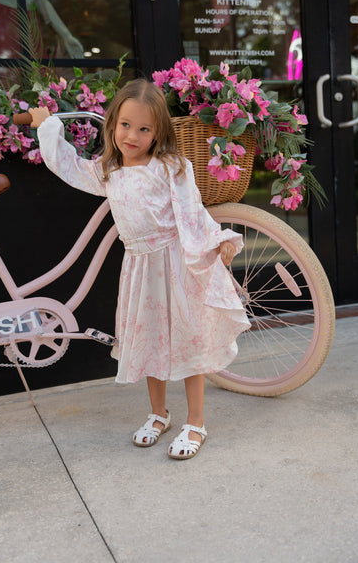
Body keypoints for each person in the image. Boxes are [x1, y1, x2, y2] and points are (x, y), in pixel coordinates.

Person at [29, 79, 250, 460]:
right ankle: (158, 412)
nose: (132, 135)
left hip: (174, 263)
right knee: (151, 342)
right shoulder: (108, 170)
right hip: (139, 267)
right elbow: (67, 165)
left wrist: (218, 240)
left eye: (144, 128)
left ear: (158, 132)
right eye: (126, 125)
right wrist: (47, 126)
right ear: (112, 123)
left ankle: (195, 421)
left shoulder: (170, 167)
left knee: (187, 341)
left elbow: (192, 212)